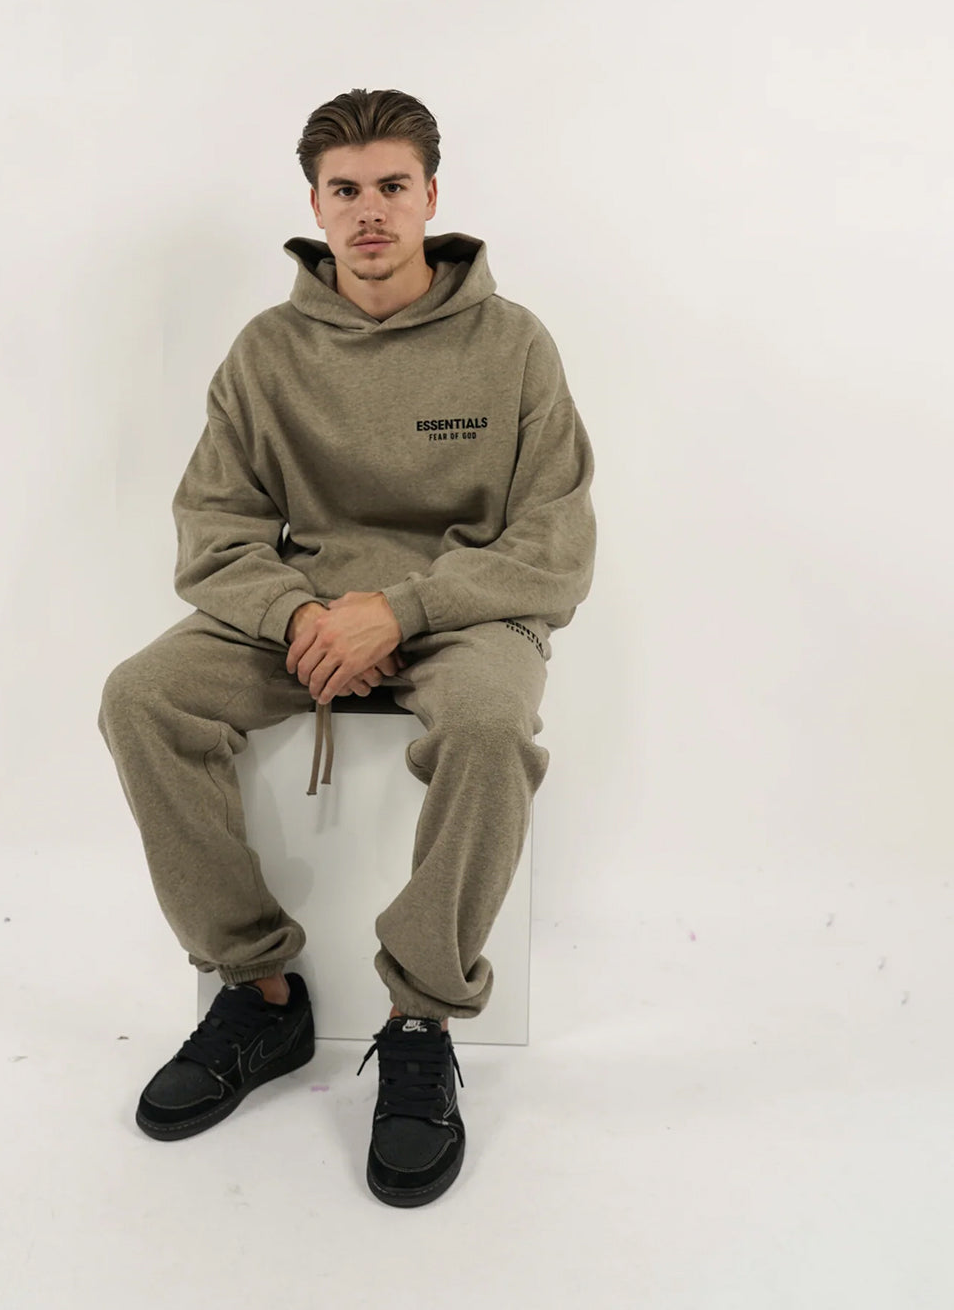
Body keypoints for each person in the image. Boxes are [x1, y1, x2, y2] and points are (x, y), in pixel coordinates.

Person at [97, 87, 597, 1207]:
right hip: (306, 617)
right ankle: (261, 993)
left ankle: (420, 1015)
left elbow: (555, 543)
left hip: (465, 615)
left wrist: (402, 610)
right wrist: (300, 617)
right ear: (316, 205)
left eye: (392, 186)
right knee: (142, 696)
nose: (370, 210)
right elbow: (214, 529)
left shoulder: (514, 346)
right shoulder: (266, 352)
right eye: (346, 190)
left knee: (489, 723)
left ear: (432, 194)